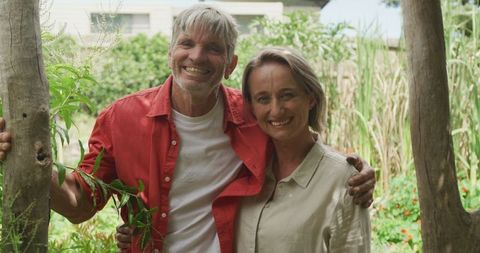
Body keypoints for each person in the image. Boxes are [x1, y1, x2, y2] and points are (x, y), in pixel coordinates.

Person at [0, 5, 375, 253]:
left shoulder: (251, 115)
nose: (197, 56)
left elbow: (296, 135)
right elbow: (79, 204)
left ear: (230, 63)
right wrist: (30, 159)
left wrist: (353, 168)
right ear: (171, 52)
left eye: (213, 48)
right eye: (187, 43)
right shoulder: (122, 119)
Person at [115, 47, 371, 252]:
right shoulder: (244, 165)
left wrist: (348, 167)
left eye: (287, 95)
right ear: (250, 106)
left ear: (311, 97)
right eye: (263, 99)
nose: (276, 110)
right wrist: (135, 234)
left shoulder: (344, 181)